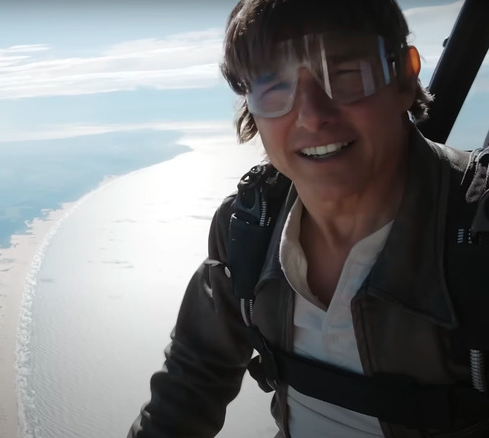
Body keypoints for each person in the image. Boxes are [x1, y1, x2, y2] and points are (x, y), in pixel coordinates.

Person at [128, 0, 489, 437]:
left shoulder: (476, 234)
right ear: (253, 111)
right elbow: (186, 391)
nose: (313, 114)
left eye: (345, 75)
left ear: (404, 76)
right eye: (275, 86)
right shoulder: (247, 229)